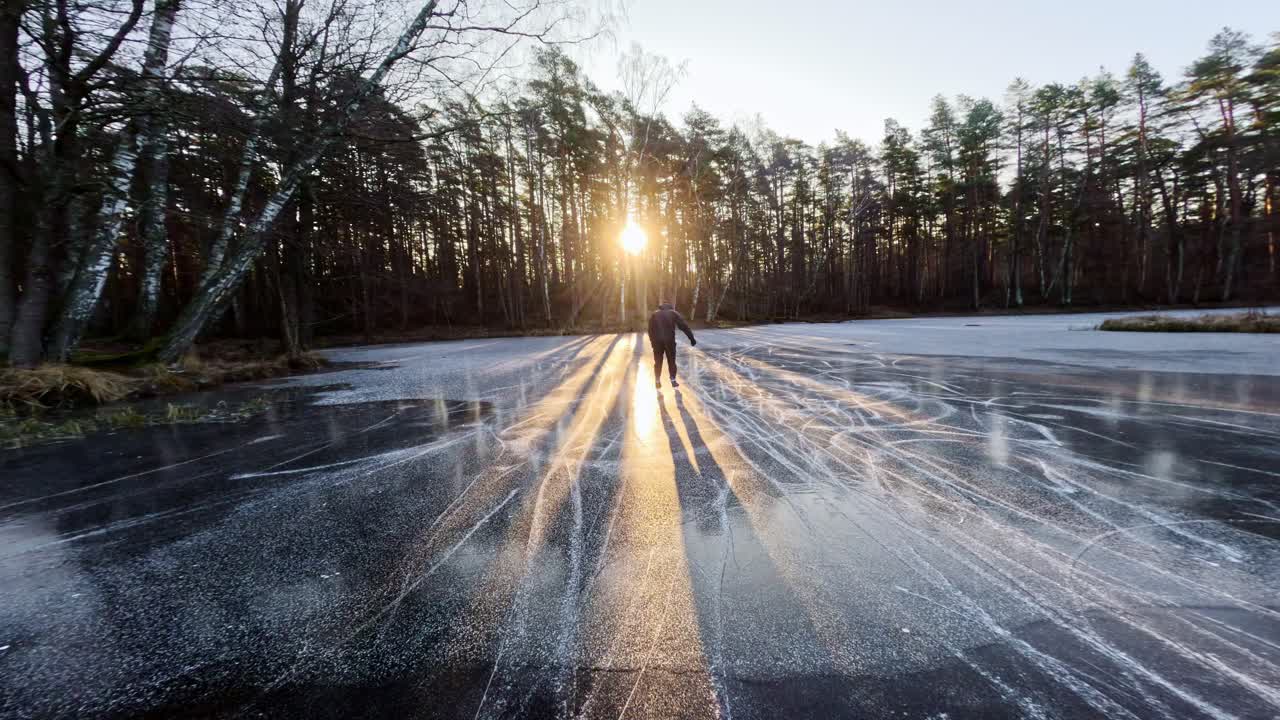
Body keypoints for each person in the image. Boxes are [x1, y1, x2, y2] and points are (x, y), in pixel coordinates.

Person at [647, 301, 696, 389]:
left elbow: (650, 330)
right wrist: (691, 338)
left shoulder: (654, 314)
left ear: (661, 307)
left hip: (657, 342)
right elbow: (684, 326)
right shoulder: (673, 313)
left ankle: (657, 381)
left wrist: (652, 341)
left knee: (658, 361)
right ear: (670, 307)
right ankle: (673, 380)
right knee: (671, 360)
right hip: (669, 341)